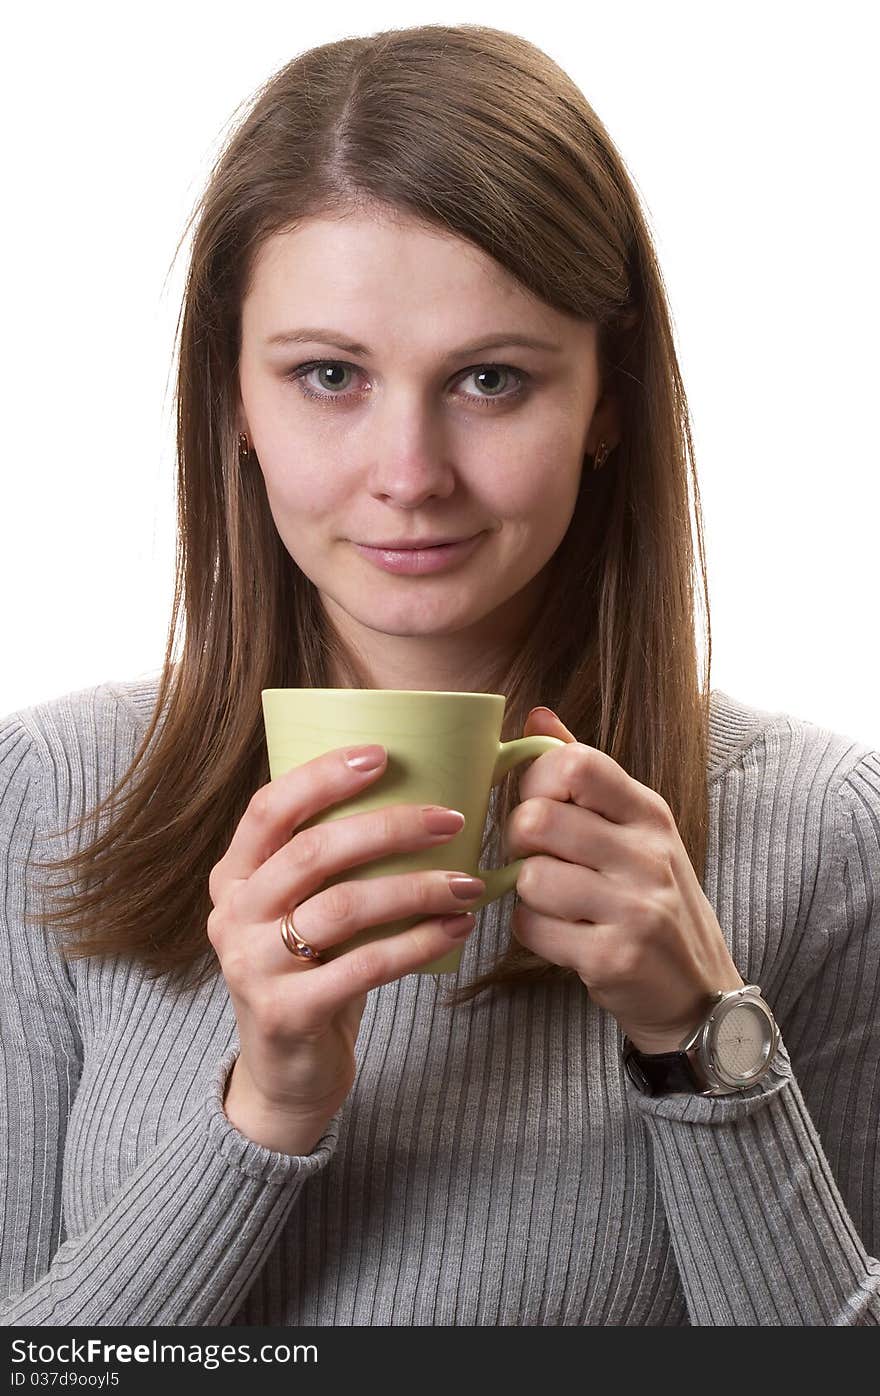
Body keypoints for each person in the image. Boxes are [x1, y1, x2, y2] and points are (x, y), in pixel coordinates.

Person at [1, 22, 878, 1328]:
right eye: (329, 376)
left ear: (611, 400)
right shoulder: (52, 788)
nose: (408, 472)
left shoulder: (821, 826)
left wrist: (707, 1045)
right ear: (232, 399)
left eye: (488, 379)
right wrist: (269, 1109)